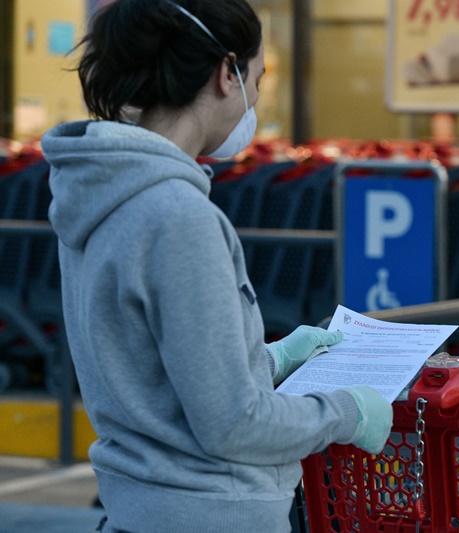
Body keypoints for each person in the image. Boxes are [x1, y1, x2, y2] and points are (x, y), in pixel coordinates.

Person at [40, 1, 392, 531]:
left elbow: (151, 368)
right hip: (212, 513)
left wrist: (271, 360)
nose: (255, 97)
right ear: (226, 73)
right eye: (257, 77)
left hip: (137, 509)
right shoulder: (179, 216)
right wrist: (347, 412)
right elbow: (233, 423)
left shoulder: (98, 191)